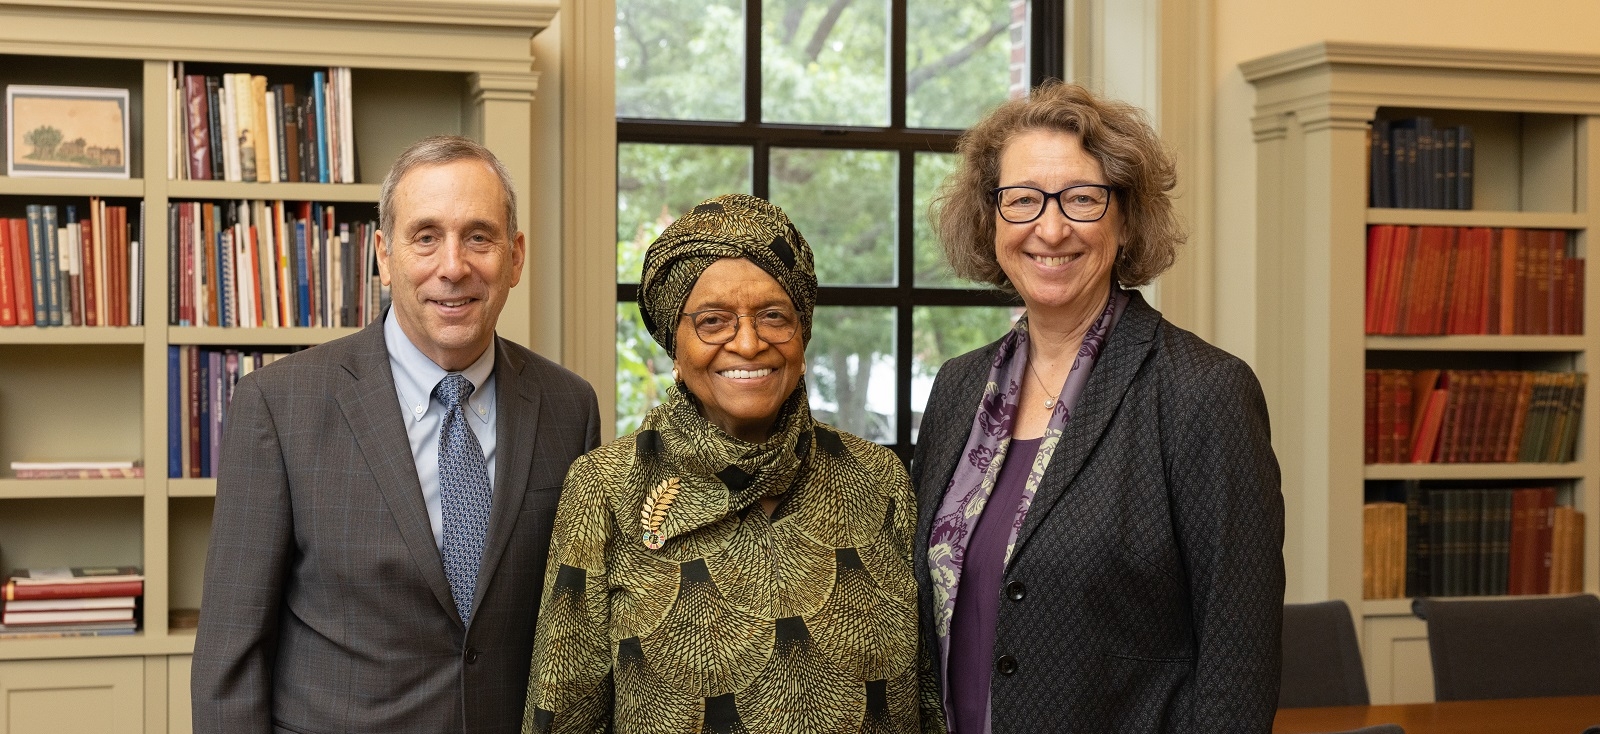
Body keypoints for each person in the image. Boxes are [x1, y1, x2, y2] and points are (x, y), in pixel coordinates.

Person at [192, 135, 600, 734]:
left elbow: (580, 632)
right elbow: (231, 659)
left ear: (515, 257)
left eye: (479, 237)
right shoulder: (279, 407)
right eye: (426, 237)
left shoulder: (569, 407)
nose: (453, 266)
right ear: (384, 255)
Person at [913, 82, 1284, 733]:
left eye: (1082, 199)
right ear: (989, 218)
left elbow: (1240, 661)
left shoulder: (1203, 393)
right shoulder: (958, 389)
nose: (1050, 228)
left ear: (1126, 218)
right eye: (1022, 200)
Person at [523, 194, 943, 734]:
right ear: (673, 344)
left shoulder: (878, 478)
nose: (748, 343)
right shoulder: (606, 488)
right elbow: (561, 714)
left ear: (803, 332)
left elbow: (929, 698)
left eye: (773, 316)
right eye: (713, 321)